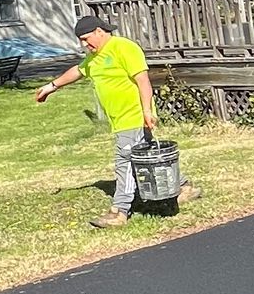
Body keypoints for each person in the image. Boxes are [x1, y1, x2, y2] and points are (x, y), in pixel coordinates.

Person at [35, 12, 176, 228]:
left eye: (86, 38)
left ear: (100, 32)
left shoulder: (123, 48)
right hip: (119, 121)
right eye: (80, 41)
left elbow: (143, 80)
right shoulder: (94, 57)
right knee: (142, 159)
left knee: (125, 163)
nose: (84, 44)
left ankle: (119, 211)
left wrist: (147, 111)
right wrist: (51, 87)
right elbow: (78, 71)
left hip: (134, 117)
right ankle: (182, 188)